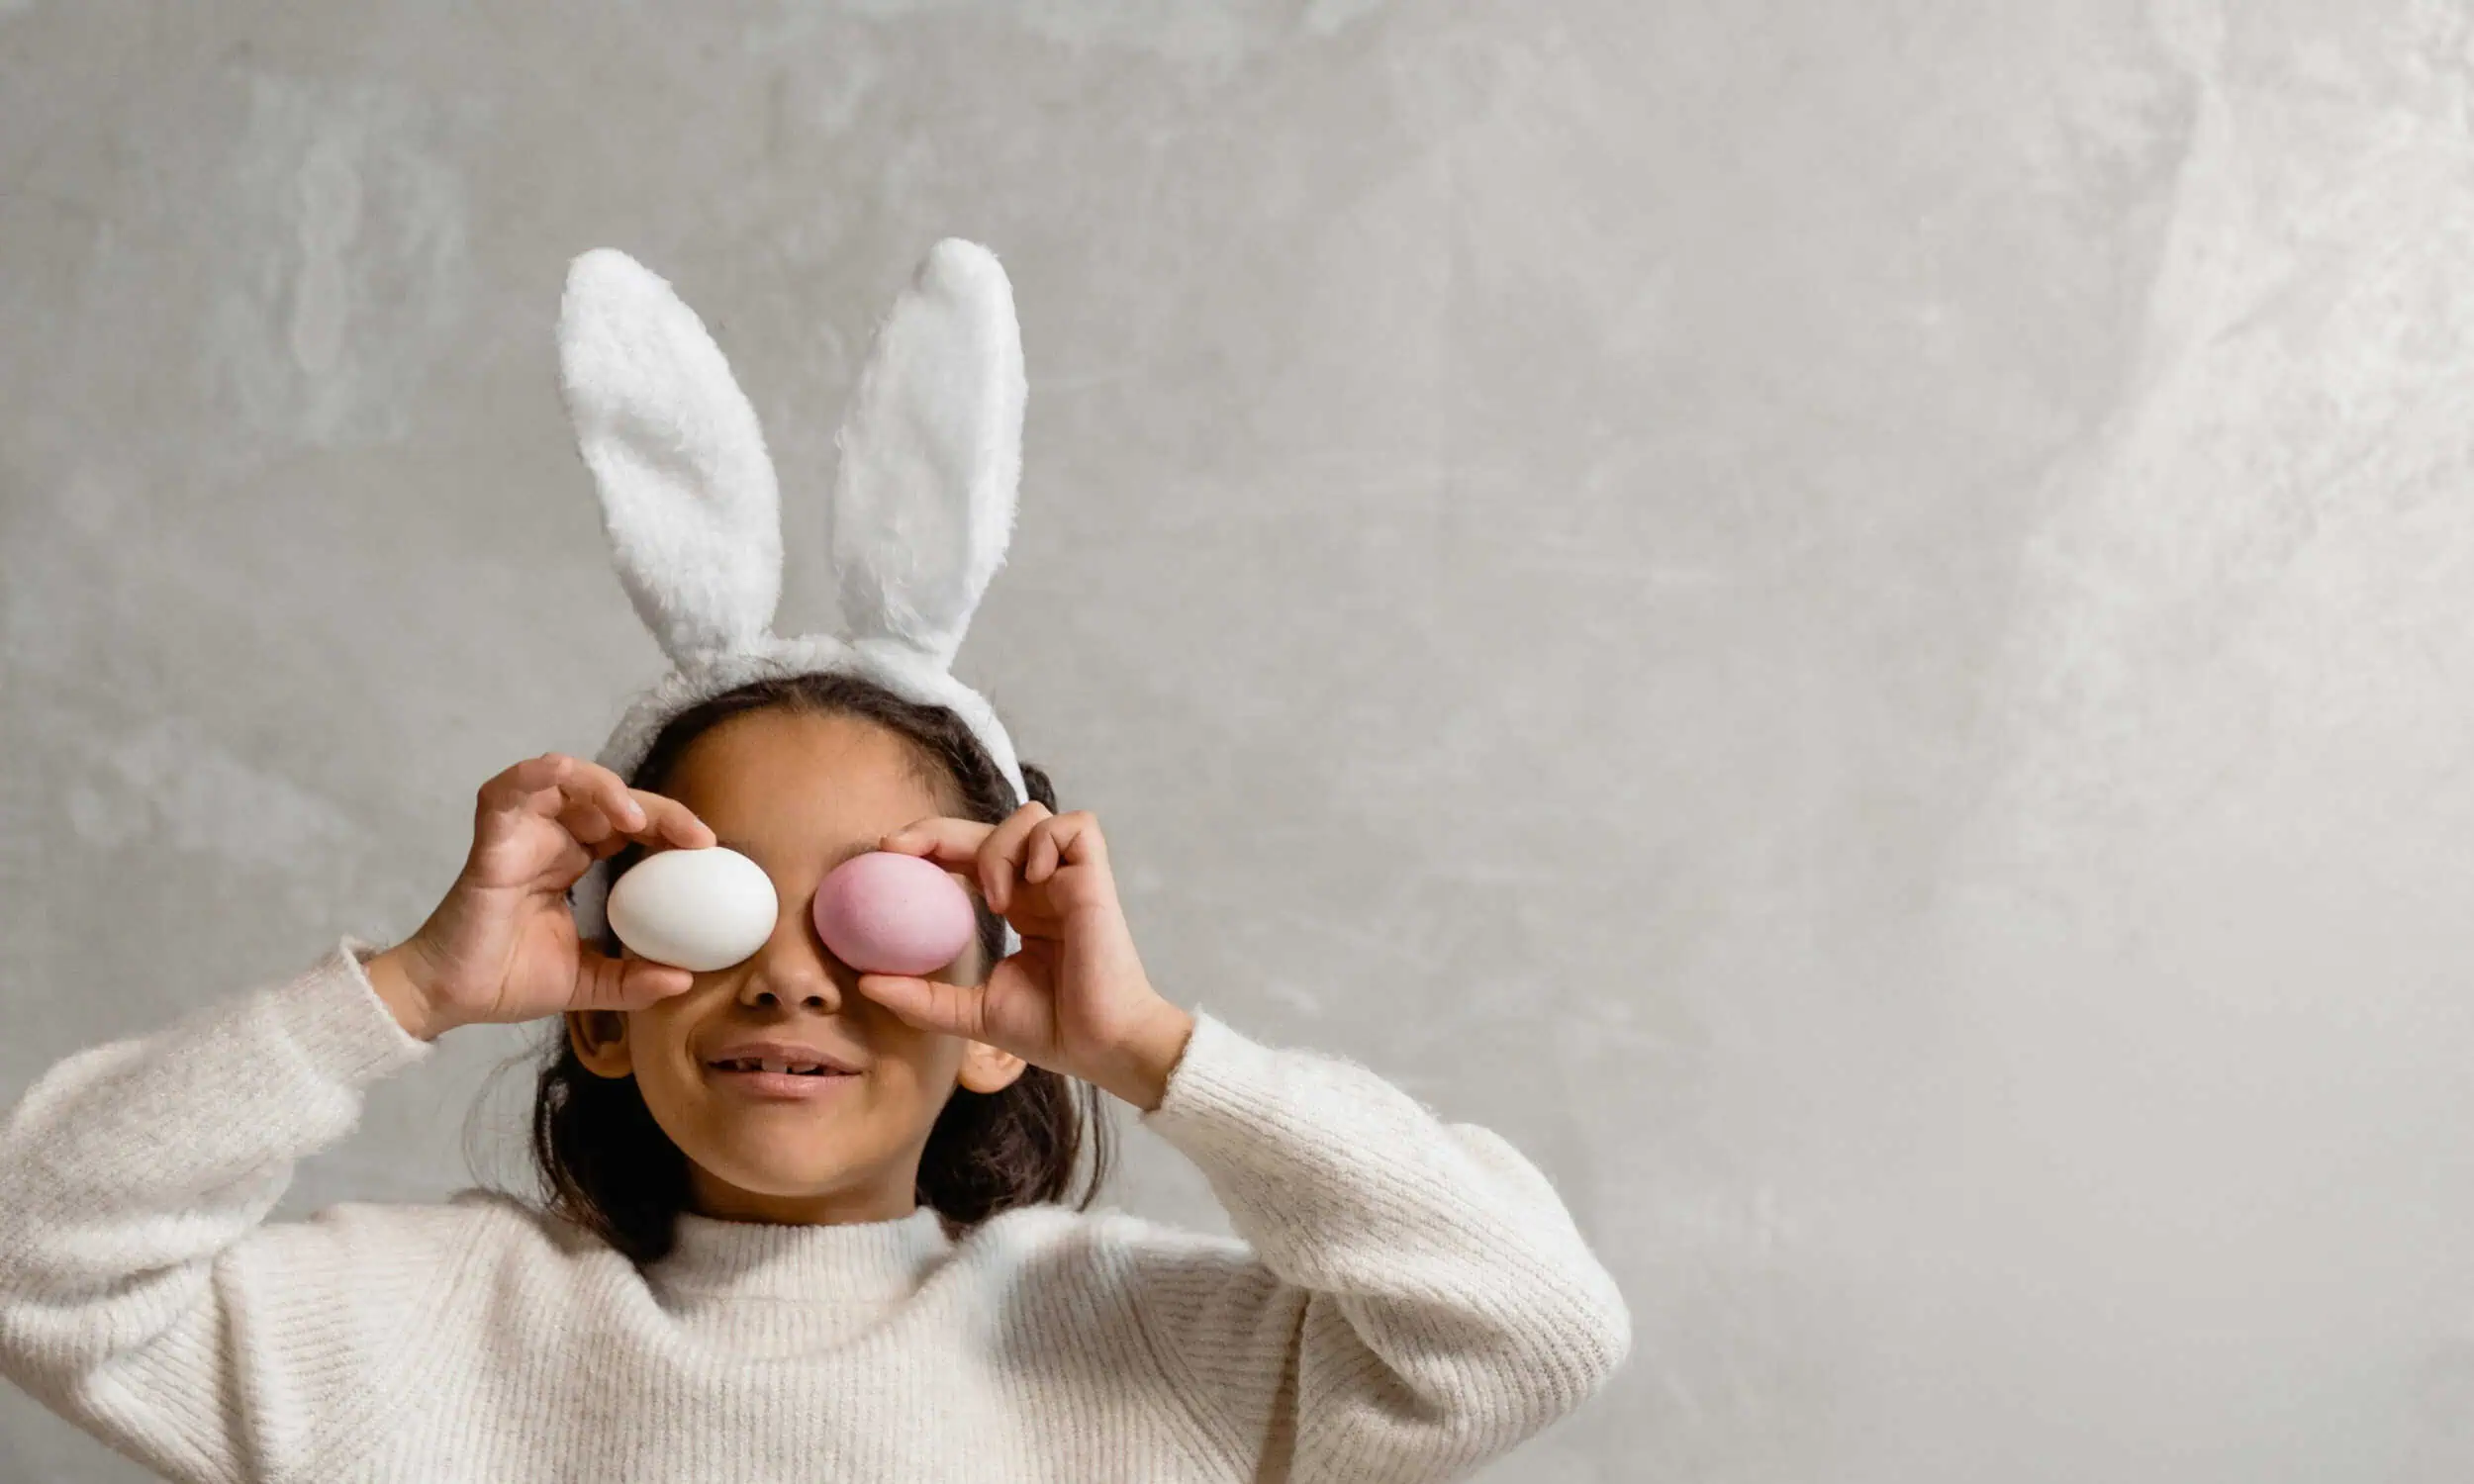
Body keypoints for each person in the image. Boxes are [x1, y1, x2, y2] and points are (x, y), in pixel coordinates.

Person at [0, 239, 1632, 1482]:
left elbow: (1529, 1327)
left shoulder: (1136, 1350)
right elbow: (44, 1264)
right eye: (711, 905)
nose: (788, 970)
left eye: (876, 910)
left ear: (997, 1016)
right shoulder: (424, 1338)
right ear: (595, 1003)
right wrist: (407, 991)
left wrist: (1151, 1050)